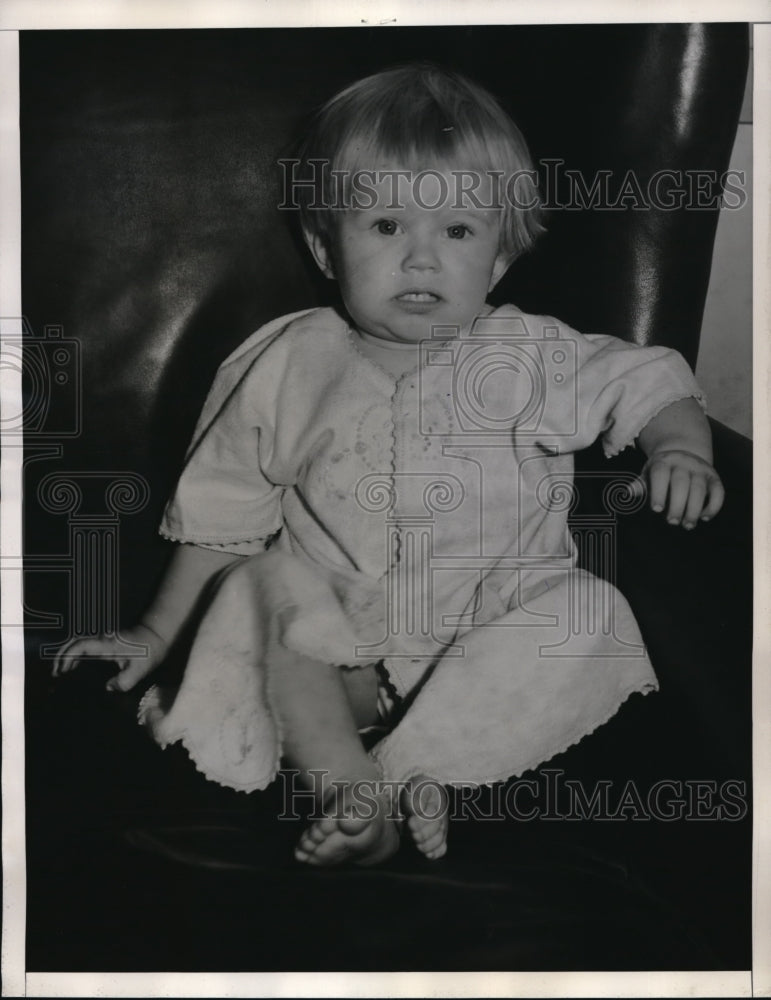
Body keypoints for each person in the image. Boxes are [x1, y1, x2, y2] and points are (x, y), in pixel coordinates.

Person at [54, 64, 724, 867]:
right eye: (384, 227)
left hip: (490, 640)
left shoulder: (532, 354)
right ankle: (353, 782)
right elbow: (220, 523)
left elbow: (646, 378)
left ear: (499, 258)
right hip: (339, 653)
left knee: (588, 612)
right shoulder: (285, 364)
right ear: (324, 246)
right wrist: (152, 635)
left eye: (457, 233)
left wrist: (678, 446)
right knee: (259, 589)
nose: (420, 260)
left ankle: (408, 773)